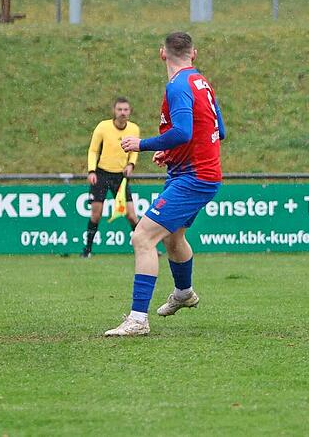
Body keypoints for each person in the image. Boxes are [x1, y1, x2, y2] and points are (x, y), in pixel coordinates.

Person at [104, 31, 225, 337]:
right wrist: (170, 151)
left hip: (193, 177)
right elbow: (218, 130)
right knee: (173, 238)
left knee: (142, 238)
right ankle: (184, 293)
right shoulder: (201, 82)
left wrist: (141, 144)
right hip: (197, 173)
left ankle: (137, 319)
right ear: (193, 53)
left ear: (162, 53)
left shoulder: (179, 86)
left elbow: (183, 131)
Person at [82, 96, 140, 258]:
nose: (123, 113)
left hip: (120, 176)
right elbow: (93, 150)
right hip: (101, 174)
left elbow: (134, 150)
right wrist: (91, 171)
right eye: (120, 109)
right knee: (96, 213)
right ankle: (87, 250)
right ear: (114, 111)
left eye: (126, 110)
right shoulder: (103, 127)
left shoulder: (134, 129)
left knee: (131, 214)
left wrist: (131, 165)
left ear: (130, 111)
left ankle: (147, 246)